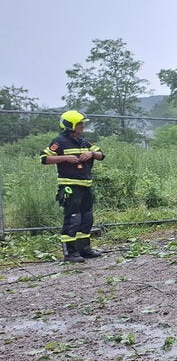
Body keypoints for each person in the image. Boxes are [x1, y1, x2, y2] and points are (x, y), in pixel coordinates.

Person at [41, 110, 105, 263]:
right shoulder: (59, 142)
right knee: (73, 219)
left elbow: (101, 155)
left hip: (86, 186)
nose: (83, 126)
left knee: (87, 218)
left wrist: (91, 154)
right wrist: (66, 158)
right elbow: (44, 158)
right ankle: (70, 252)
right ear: (71, 125)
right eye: (80, 124)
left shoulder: (83, 141)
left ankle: (84, 249)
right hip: (70, 187)